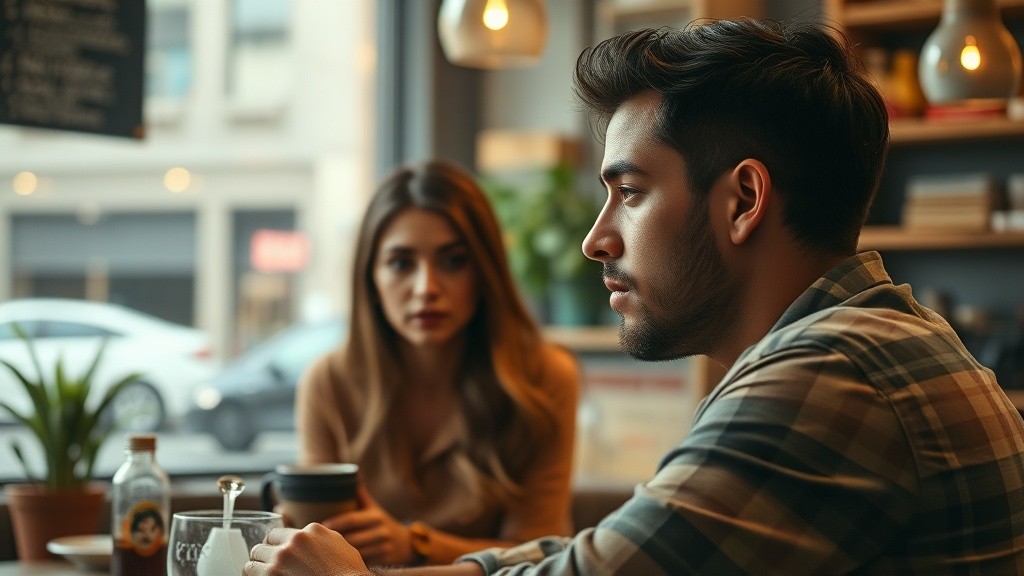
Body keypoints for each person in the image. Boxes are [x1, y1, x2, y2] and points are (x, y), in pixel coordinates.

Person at [245, 18, 1024, 576]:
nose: (596, 239)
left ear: (743, 200)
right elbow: (611, 551)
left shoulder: (830, 375)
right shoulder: (869, 339)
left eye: (631, 192)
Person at [290, 160, 580, 566]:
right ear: (371, 278)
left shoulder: (543, 377)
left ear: (484, 272)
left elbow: (543, 552)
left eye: (453, 261)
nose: (426, 288)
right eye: (400, 263)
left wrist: (415, 544)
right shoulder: (329, 382)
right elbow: (318, 546)